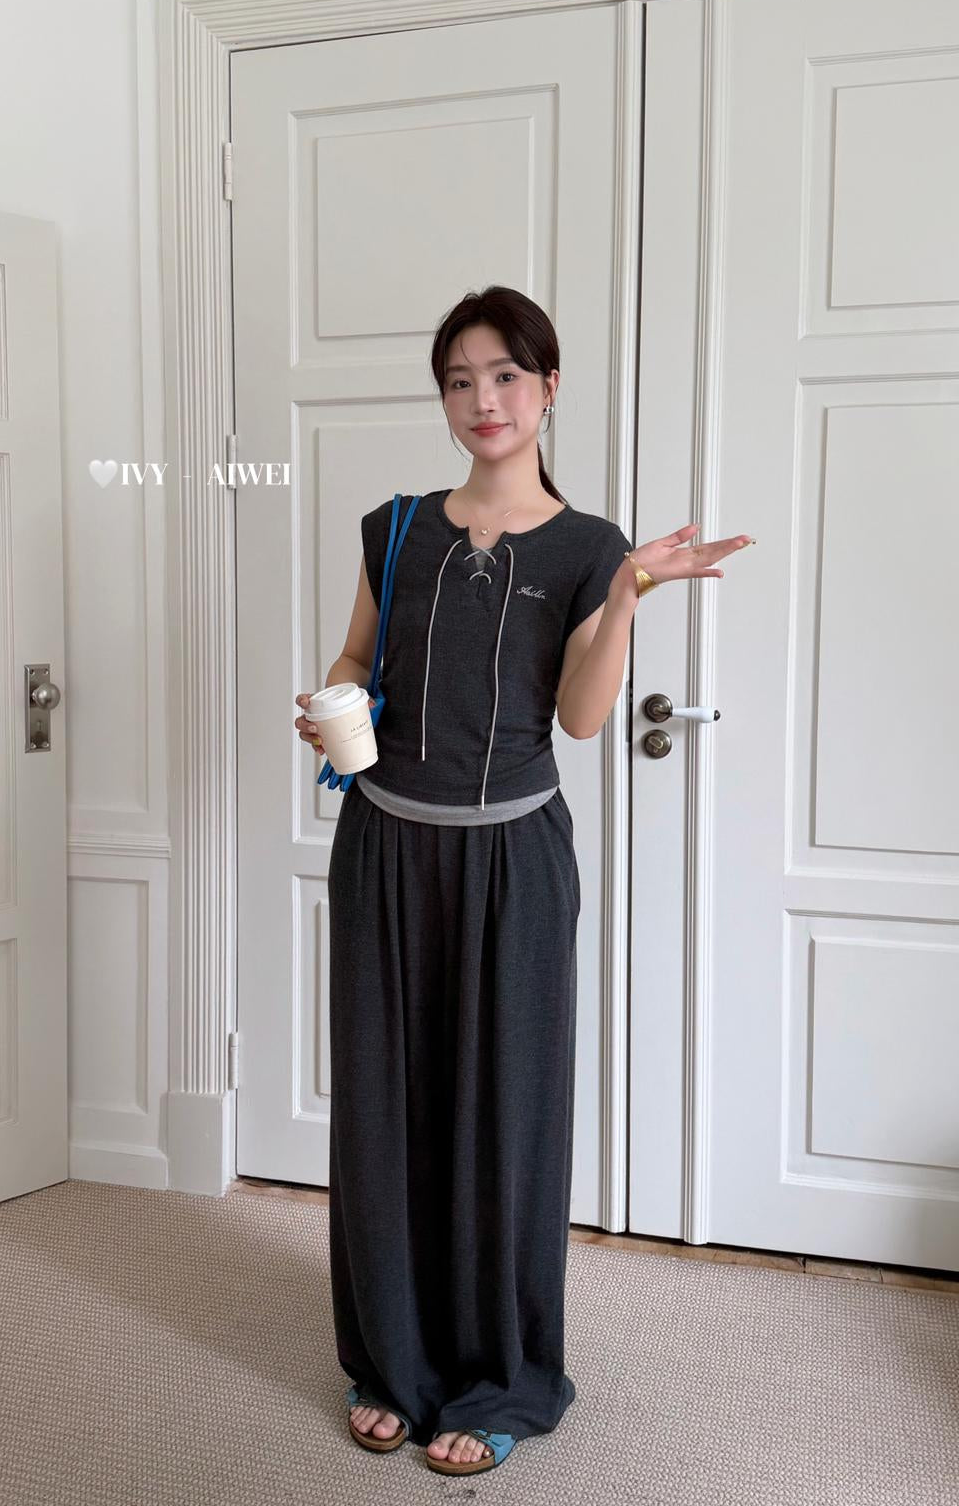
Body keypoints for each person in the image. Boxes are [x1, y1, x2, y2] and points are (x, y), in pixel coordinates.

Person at [293, 285, 753, 1477]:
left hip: (514, 858)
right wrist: (329, 701)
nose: (481, 399)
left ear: (548, 387)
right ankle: (390, 1361)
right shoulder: (394, 527)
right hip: (386, 845)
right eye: (458, 379)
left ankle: (500, 1378)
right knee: (385, 1107)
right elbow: (356, 653)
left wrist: (629, 594)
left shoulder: (590, 547)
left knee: (505, 1115)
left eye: (504, 375)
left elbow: (584, 717)